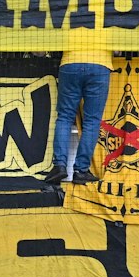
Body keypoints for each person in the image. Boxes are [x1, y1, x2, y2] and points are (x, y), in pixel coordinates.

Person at [50, 28, 113, 184]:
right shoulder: (109, 13)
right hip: (100, 63)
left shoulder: (71, 8)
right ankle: (81, 170)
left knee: (64, 117)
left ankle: (59, 166)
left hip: (70, 62)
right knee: (92, 121)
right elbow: (118, 49)